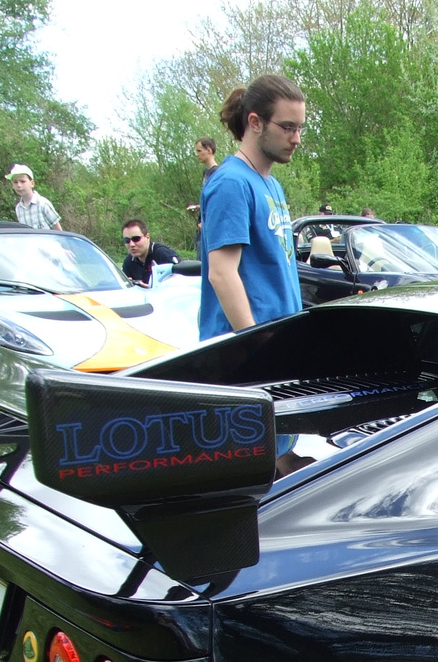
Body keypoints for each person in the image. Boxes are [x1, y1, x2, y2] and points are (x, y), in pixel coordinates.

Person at [199, 72, 307, 474]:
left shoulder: (269, 184)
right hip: (244, 359)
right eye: (288, 127)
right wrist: (258, 345)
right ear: (255, 122)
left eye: (300, 128)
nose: (296, 138)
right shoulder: (230, 182)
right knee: (251, 476)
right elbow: (221, 274)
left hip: (274, 349)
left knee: (282, 470)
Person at [120, 218, 180, 287]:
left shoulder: (162, 254)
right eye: (127, 240)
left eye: (136, 239)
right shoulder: (129, 261)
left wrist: (150, 288)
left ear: (147, 237)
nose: (131, 244)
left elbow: (182, 280)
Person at [6, 165, 62, 230]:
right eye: (15, 182)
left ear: (32, 183)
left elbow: (58, 231)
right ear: (12, 185)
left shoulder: (43, 204)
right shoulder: (18, 208)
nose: (19, 185)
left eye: (22, 181)